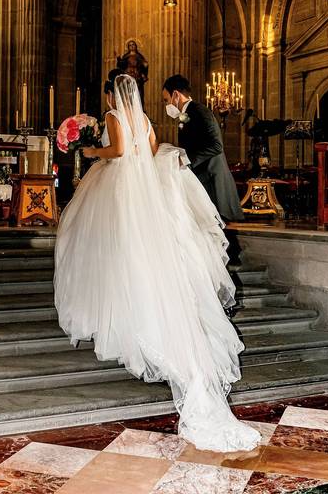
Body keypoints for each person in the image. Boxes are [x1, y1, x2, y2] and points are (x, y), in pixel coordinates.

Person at [54, 74, 259, 453]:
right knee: (140, 250)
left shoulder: (114, 116)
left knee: (113, 246)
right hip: (142, 193)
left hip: (117, 188)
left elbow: (117, 151)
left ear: (114, 95)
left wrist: (90, 153)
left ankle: (122, 312)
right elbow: (147, 154)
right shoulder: (146, 120)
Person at [162, 74, 244, 223]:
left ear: (176, 95)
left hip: (213, 182)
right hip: (202, 180)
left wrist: (185, 159)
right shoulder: (187, 114)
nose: (166, 105)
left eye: (166, 100)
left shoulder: (200, 111)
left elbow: (216, 145)